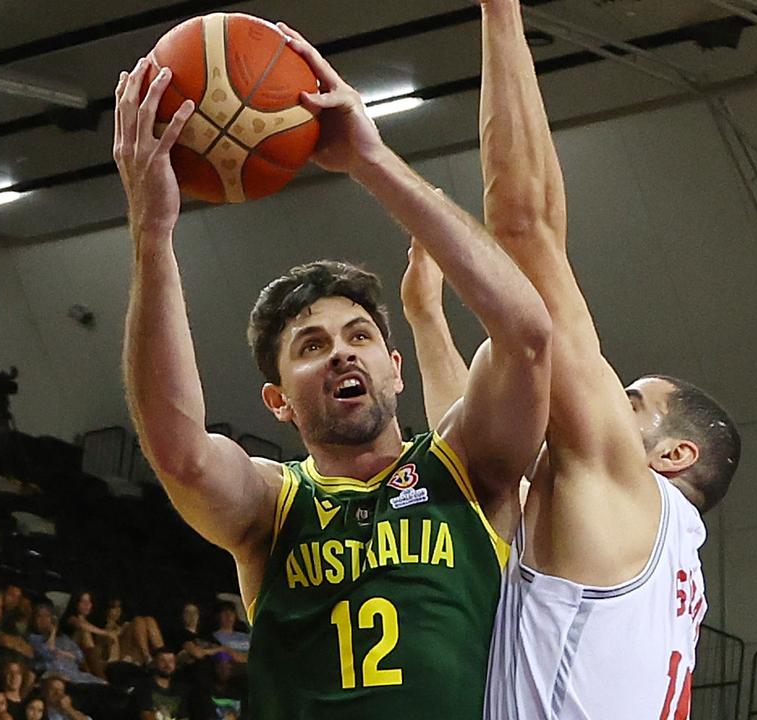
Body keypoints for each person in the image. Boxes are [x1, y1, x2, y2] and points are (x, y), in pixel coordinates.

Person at [114, 20, 550, 718]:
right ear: (278, 401)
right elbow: (180, 454)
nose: (342, 351)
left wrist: (371, 160)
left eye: (358, 336)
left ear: (396, 368)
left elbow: (526, 336)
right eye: (311, 346)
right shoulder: (271, 507)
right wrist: (151, 233)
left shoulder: (467, 466)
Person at [400, 3, 741, 718]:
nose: (607, 399)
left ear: (673, 453)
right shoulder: (645, 545)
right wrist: (426, 320)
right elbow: (471, 456)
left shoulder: (622, 487)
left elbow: (523, 225)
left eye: (632, 400)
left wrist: (500, 11)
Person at [26, 604, 103, 686]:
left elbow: (79, 656)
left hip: (76, 675)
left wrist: (61, 652)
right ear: (33, 620)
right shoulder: (33, 639)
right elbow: (48, 654)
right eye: (39, 616)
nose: (44, 620)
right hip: (55, 678)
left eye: (47, 616)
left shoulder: (63, 638)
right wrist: (53, 633)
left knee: (103, 684)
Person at [135, 649, 188, 720]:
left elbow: (183, 717)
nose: (167, 665)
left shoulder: (180, 689)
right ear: (154, 663)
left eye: (171, 661)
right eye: (162, 661)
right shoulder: (144, 686)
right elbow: (146, 716)